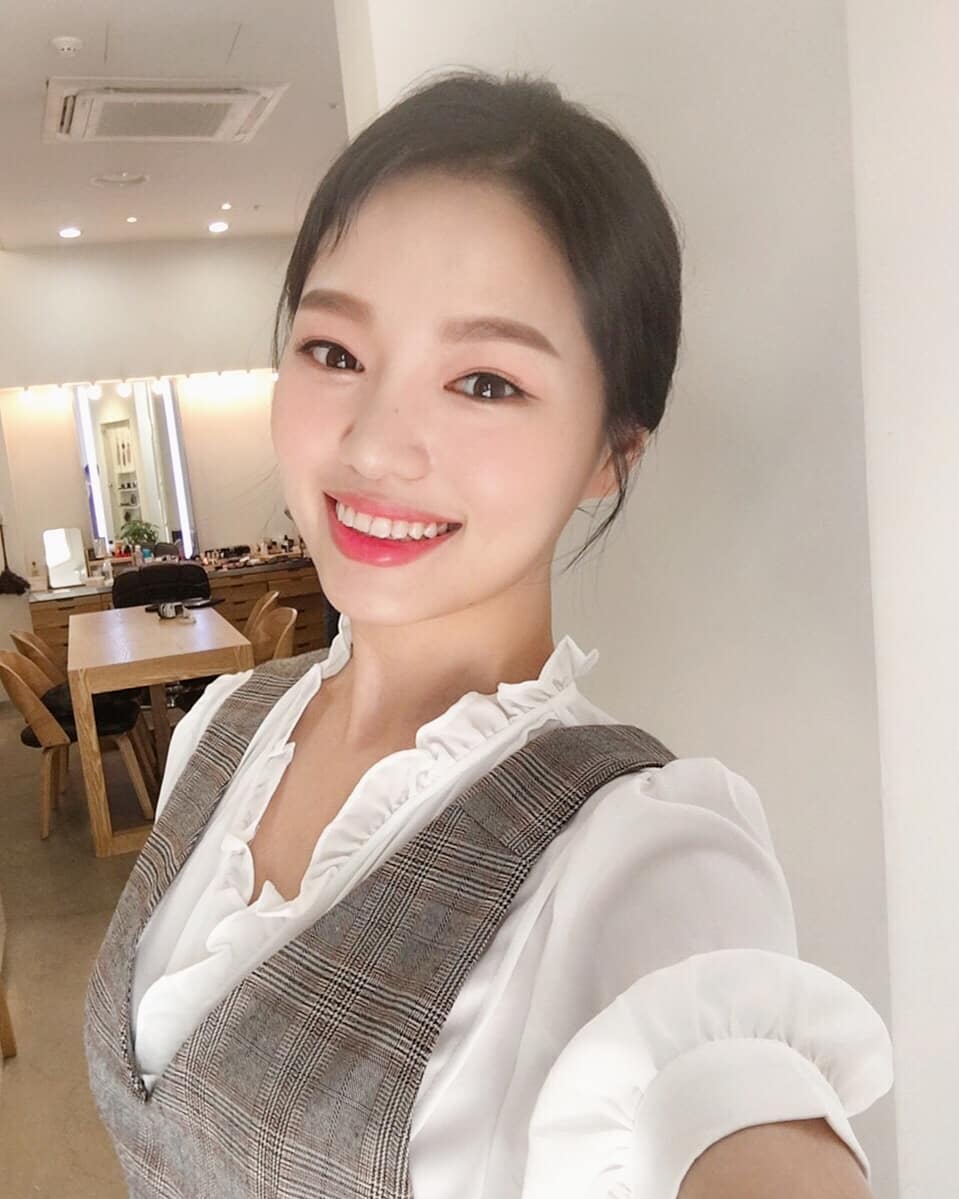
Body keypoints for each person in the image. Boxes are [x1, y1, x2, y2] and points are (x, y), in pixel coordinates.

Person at [84, 69, 893, 1198]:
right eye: (333, 352)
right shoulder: (222, 725)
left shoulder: (640, 858)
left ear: (611, 450)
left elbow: (732, 1113)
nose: (374, 444)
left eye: (483, 381)